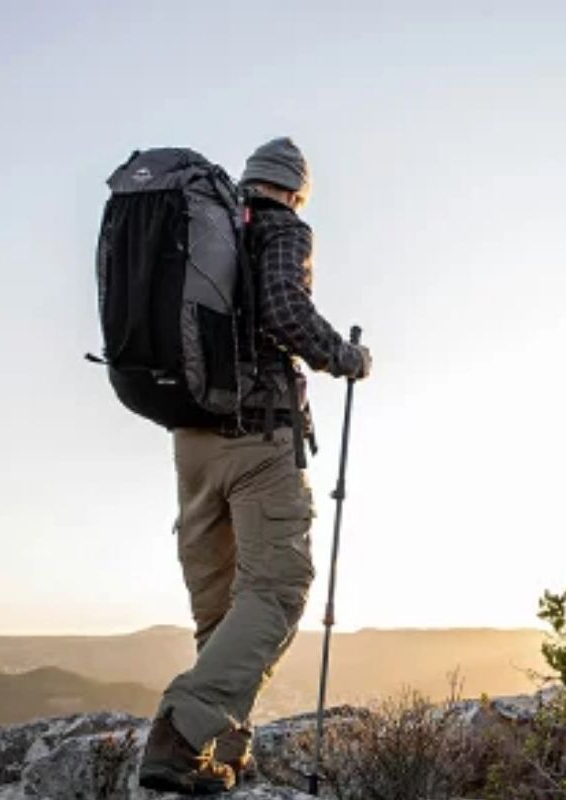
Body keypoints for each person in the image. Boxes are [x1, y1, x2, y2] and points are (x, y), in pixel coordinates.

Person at [138, 137, 372, 795]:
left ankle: (217, 750)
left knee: (220, 605)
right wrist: (346, 358)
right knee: (277, 586)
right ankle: (182, 733)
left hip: (189, 439)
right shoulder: (280, 228)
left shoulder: (197, 229)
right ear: (295, 190)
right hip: (255, 435)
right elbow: (285, 311)